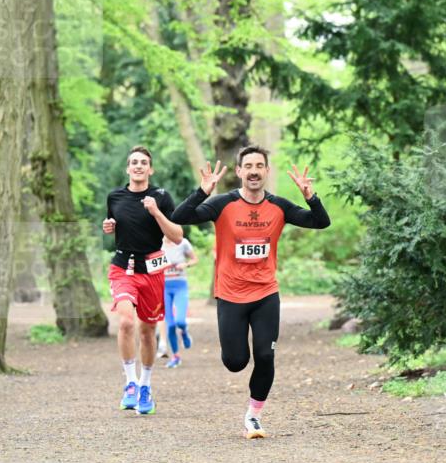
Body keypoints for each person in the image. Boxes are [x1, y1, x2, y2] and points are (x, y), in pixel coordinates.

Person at [172, 145, 330, 439]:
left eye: (260, 165)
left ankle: (254, 416)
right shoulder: (222, 204)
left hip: (266, 293)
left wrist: (311, 197)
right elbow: (180, 216)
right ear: (239, 171)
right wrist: (202, 192)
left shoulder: (279, 206)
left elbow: (321, 222)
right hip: (231, 294)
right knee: (235, 362)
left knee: (265, 356)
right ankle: (236, 361)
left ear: (267, 171)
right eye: (249, 166)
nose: (254, 171)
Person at [102, 146, 183, 414]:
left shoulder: (161, 196)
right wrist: (109, 227)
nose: (138, 166)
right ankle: (131, 383)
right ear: (128, 168)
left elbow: (177, 236)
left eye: (143, 162)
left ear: (150, 169)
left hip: (153, 269)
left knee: (147, 331)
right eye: (134, 162)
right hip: (123, 267)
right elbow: (117, 225)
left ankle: (146, 386)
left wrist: (157, 212)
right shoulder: (114, 196)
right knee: (126, 322)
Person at [161, 234, 199, 368]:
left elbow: (195, 259)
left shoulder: (182, 243)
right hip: (164, 288)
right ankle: (175, 356)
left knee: (180, 321)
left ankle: (184, 331)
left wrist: (186, 264)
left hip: (180, 286)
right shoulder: (157, 244)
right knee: (170, 325)